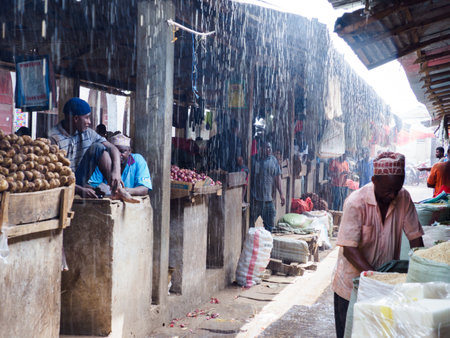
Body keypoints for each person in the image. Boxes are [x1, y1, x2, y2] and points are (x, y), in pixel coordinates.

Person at [332, 152, 424, 338]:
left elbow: (416, 239)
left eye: (396, 190)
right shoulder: (356, 202)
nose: (392, 195)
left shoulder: (403, 198)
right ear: (374, 180)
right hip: (350, 288)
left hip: (383, 288)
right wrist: (377, 278)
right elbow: (349, 250)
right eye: (388, 190)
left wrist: (420, 269)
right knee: (349, 334)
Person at [48, 97, 129, 200]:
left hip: (77, 179)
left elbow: (113, 148)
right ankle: (79, 188)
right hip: (61, 183)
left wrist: (116, 172)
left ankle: (116, 190)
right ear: (76, 119)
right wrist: (80, 190)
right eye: (86, 118)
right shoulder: (53, 138)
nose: (89, 122)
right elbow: (52, 177)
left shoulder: (88, 133)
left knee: (99, 147)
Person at [250, 141, 285, 232]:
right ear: (261, 148)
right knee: (250, 226)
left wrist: (281, 194)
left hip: (268, 201)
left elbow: (278, 178)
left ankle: (268, 244)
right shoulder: (254, 160)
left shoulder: (273, 160)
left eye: (270, 148)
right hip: (256, 201)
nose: (269, 150)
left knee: (270, 227)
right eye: (266, 147)